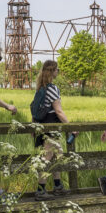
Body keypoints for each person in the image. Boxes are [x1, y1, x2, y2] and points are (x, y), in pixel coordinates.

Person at [31, 60, 74, 201]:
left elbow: (35, 110)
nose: (58, 72)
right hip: (51, 126)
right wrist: (71, 127)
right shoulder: (52, 88)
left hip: (43, 125)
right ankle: (41, 190)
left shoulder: (41, 88)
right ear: (52, 71)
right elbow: (59, 111)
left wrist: (34, 125)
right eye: (57, 69)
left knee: (57, 154)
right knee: (48, 156)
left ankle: (57, 186)